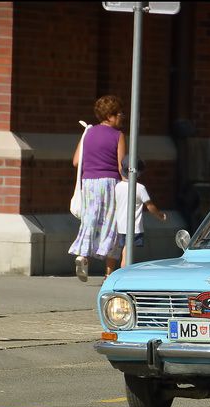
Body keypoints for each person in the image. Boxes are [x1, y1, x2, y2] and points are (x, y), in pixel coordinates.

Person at [68, 95, 127, 282]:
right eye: (119, 114)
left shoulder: (88, 133)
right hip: (110, 183)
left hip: (89, 183)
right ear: (110, 116)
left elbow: (76, 161)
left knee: (90, 220)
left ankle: (83, 255)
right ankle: (108, 273)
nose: (122, 117)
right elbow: (121, 166)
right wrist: (129, 185)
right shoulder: (118, 136)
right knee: (111, 225)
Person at [115, 158, 168, 268]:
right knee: (127, 253)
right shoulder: (139, 188)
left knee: (125, 250)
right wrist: (160, 216)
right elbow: (150, 206)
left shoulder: (117, 186)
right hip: (134, 227)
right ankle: (124, 273)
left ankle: (124, 271)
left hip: (120, 225)